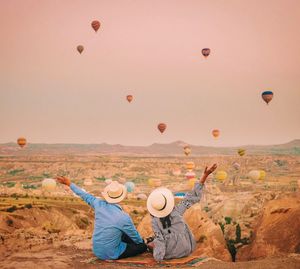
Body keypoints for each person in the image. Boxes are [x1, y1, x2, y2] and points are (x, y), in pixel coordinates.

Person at [56, 177, 147, 260]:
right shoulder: (124, 217)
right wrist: (142, 242)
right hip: (111, 253)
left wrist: (69, 184)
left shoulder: (98, 204)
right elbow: (135, 237)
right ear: (121, 197)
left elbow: (84, 195)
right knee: (141, 246)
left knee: (123, 234)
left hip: (98, 251)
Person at [146, 164, 217, 262]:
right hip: (186, 249)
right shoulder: (177, 211)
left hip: (170, 253)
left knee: (151, 242)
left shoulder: (155, 221)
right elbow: (191, 197)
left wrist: (158, 258)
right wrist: (205, 175)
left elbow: (160, 240)